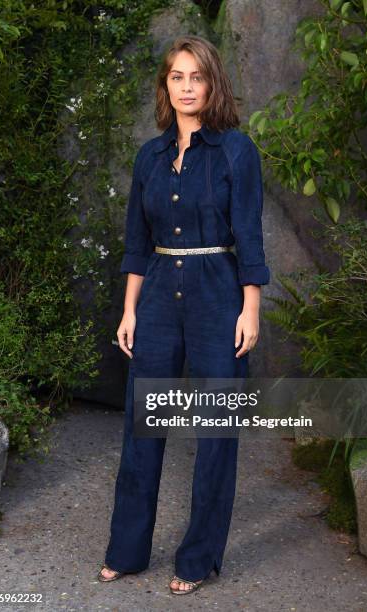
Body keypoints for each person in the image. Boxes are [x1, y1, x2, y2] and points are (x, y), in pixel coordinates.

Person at [98, 34, 270, 595]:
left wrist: (250, 309)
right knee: (143, 425)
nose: (187, 86)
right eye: (177, 76)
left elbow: (249, 235)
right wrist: (129, 311)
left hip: (218, 294)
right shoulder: (149, 156)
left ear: (212, 84)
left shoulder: (236, 151)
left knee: (217, 430)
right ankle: (127, 552)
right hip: (157, 297)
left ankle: (196, 560)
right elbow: (135, 243)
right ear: (165, 85)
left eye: (197, 76)